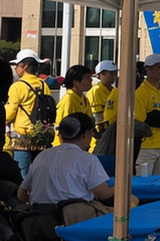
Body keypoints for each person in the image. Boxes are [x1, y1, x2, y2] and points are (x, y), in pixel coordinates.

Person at [17, 114, 114, 210]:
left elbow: (21, 194)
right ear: (85, 135)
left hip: (41, 216)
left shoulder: (42, 155)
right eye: (91, 134)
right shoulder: (88, 159)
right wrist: (121, 185)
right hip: (75, 217)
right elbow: (104, 193)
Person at [5, 49, 54, 177]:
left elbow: (9, 114)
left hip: (22, 139)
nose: (16, 68)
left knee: (23, 177)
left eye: (17, 65)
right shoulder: (43, 85)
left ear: (24, 66)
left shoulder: (17, 87)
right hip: (41, 137)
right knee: (39, 176)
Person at [53, 64, 94, 146]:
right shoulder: (68, 99)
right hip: (66, 146)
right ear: (75, 82)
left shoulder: (84, 99)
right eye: (87, 78)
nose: (91, 80)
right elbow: (62, 128)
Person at [88, 60, 120, 144]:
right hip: (100, 137)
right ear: (100, 74)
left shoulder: (114, 91)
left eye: (115, 73)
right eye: (111, 74)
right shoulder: (95, 91)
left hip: (113, 133)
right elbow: (97, 118)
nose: (114, 76)